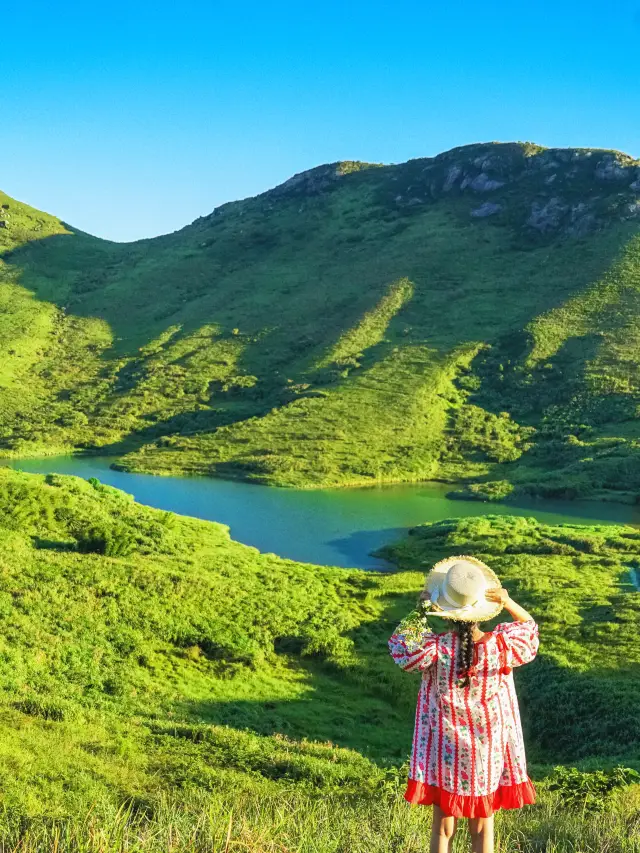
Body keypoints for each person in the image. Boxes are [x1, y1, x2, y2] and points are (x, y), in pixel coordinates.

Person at [388, 555, 539, 853]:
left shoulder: (435, 649)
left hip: (447, 749)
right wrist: (508, 601)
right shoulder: (502, 645)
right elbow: (530, 629)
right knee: (483, 829)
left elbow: (400, 645)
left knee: (443, 828)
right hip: (489, 750)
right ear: (484, 611)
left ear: (445, 613)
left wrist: (419, 610)